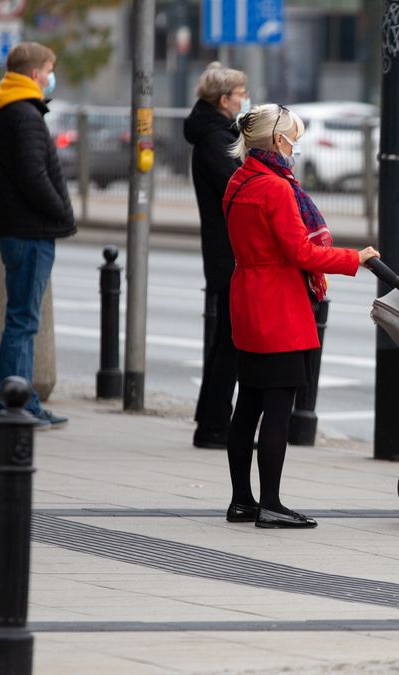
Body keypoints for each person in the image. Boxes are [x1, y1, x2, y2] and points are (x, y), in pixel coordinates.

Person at [222, 104, 379, 528]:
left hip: (248, 297)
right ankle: (271, 503)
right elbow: (301, 251)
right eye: (293, 136)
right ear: (277, 141)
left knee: (248, 404)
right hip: (279, 305)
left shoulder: (240, 180)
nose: (296, 145)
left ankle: (242, 500)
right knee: (278, 407)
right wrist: (354, 258)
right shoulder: (276, 189)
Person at [0, 42, 76, 429]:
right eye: (50, 69)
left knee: (22, 320)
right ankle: (10, 405)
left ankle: (23, 399)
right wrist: (61, 211)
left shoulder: (11, 111)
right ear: (37, 73)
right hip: (30, 231)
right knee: (22, 322)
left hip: (20, 229)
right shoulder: (23, 115)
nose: (51, 76)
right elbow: (32, 175)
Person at [184, 62, 250, 449]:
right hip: (229, 253)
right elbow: (238, 190)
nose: (244, 99)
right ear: (224, 100)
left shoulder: (216, 133)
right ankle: (213, 426)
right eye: (241, 94)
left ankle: (210, 419)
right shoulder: (215, 139)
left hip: (225, 250)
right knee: (231, 341)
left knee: (226, 339)